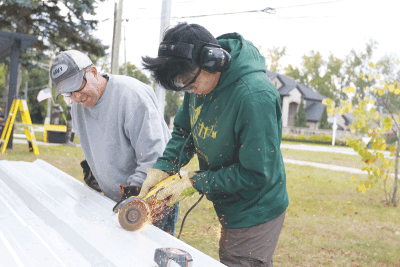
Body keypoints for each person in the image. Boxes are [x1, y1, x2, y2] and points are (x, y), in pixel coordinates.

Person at [138, 22, 289, 266]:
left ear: (214, 61)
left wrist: (194, 181)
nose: (189, 90)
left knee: (237, 260)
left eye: (189, 82)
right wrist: (164, 168)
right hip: (228, 199)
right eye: (181, 85)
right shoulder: (197, 81)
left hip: (255, 207)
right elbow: (185, 130)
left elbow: (256, 172)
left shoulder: (254, 96)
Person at [49, 50, 177, 234]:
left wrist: (132, 194)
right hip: (118, 199)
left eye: (77, 86)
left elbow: (156, 156)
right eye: (68, 92)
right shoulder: (79, 107)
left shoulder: (131, 96)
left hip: (152, 196)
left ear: (93, 72)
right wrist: (97, 171)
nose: (76, 97)